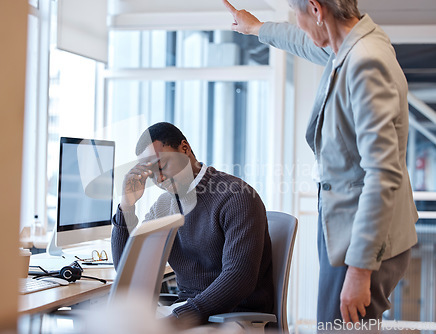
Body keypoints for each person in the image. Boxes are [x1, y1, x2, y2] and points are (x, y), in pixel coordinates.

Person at [222, 0, 418, 330]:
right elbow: (302, 39)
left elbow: (383, 174)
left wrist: (359, 270)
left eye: (296, 16)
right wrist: (256, 28)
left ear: (316, 9)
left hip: (362, 240)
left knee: (339, 329)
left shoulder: (365, 62)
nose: (297, 24)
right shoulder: (349, 48)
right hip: (347, 229)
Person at [111, 122, 274, 328]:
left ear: (185, 149)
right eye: (151, 173)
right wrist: (127, 205)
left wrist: (178, 319)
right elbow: (128, 271)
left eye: (163, 165)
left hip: (233, 315)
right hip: (189, 311)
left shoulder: (236, 196)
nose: (159, 178)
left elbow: (238, 278)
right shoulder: (163, 206)